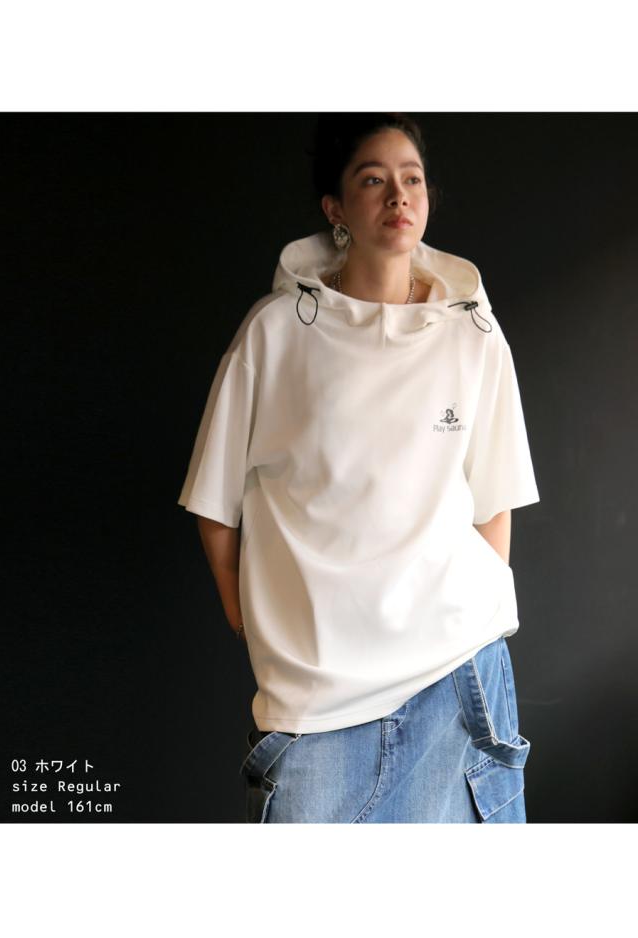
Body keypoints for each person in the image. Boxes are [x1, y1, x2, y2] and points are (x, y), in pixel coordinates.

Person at [176, 113, 541, 823]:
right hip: (317, 706)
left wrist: (468, 621)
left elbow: (494, 503)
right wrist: (255, 625)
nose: (398, 195)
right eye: (373, 180)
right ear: (335, 209)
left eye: (412, 179)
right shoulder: (276, 334)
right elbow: (214, 507)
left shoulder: (473, 334)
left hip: (456, 683)